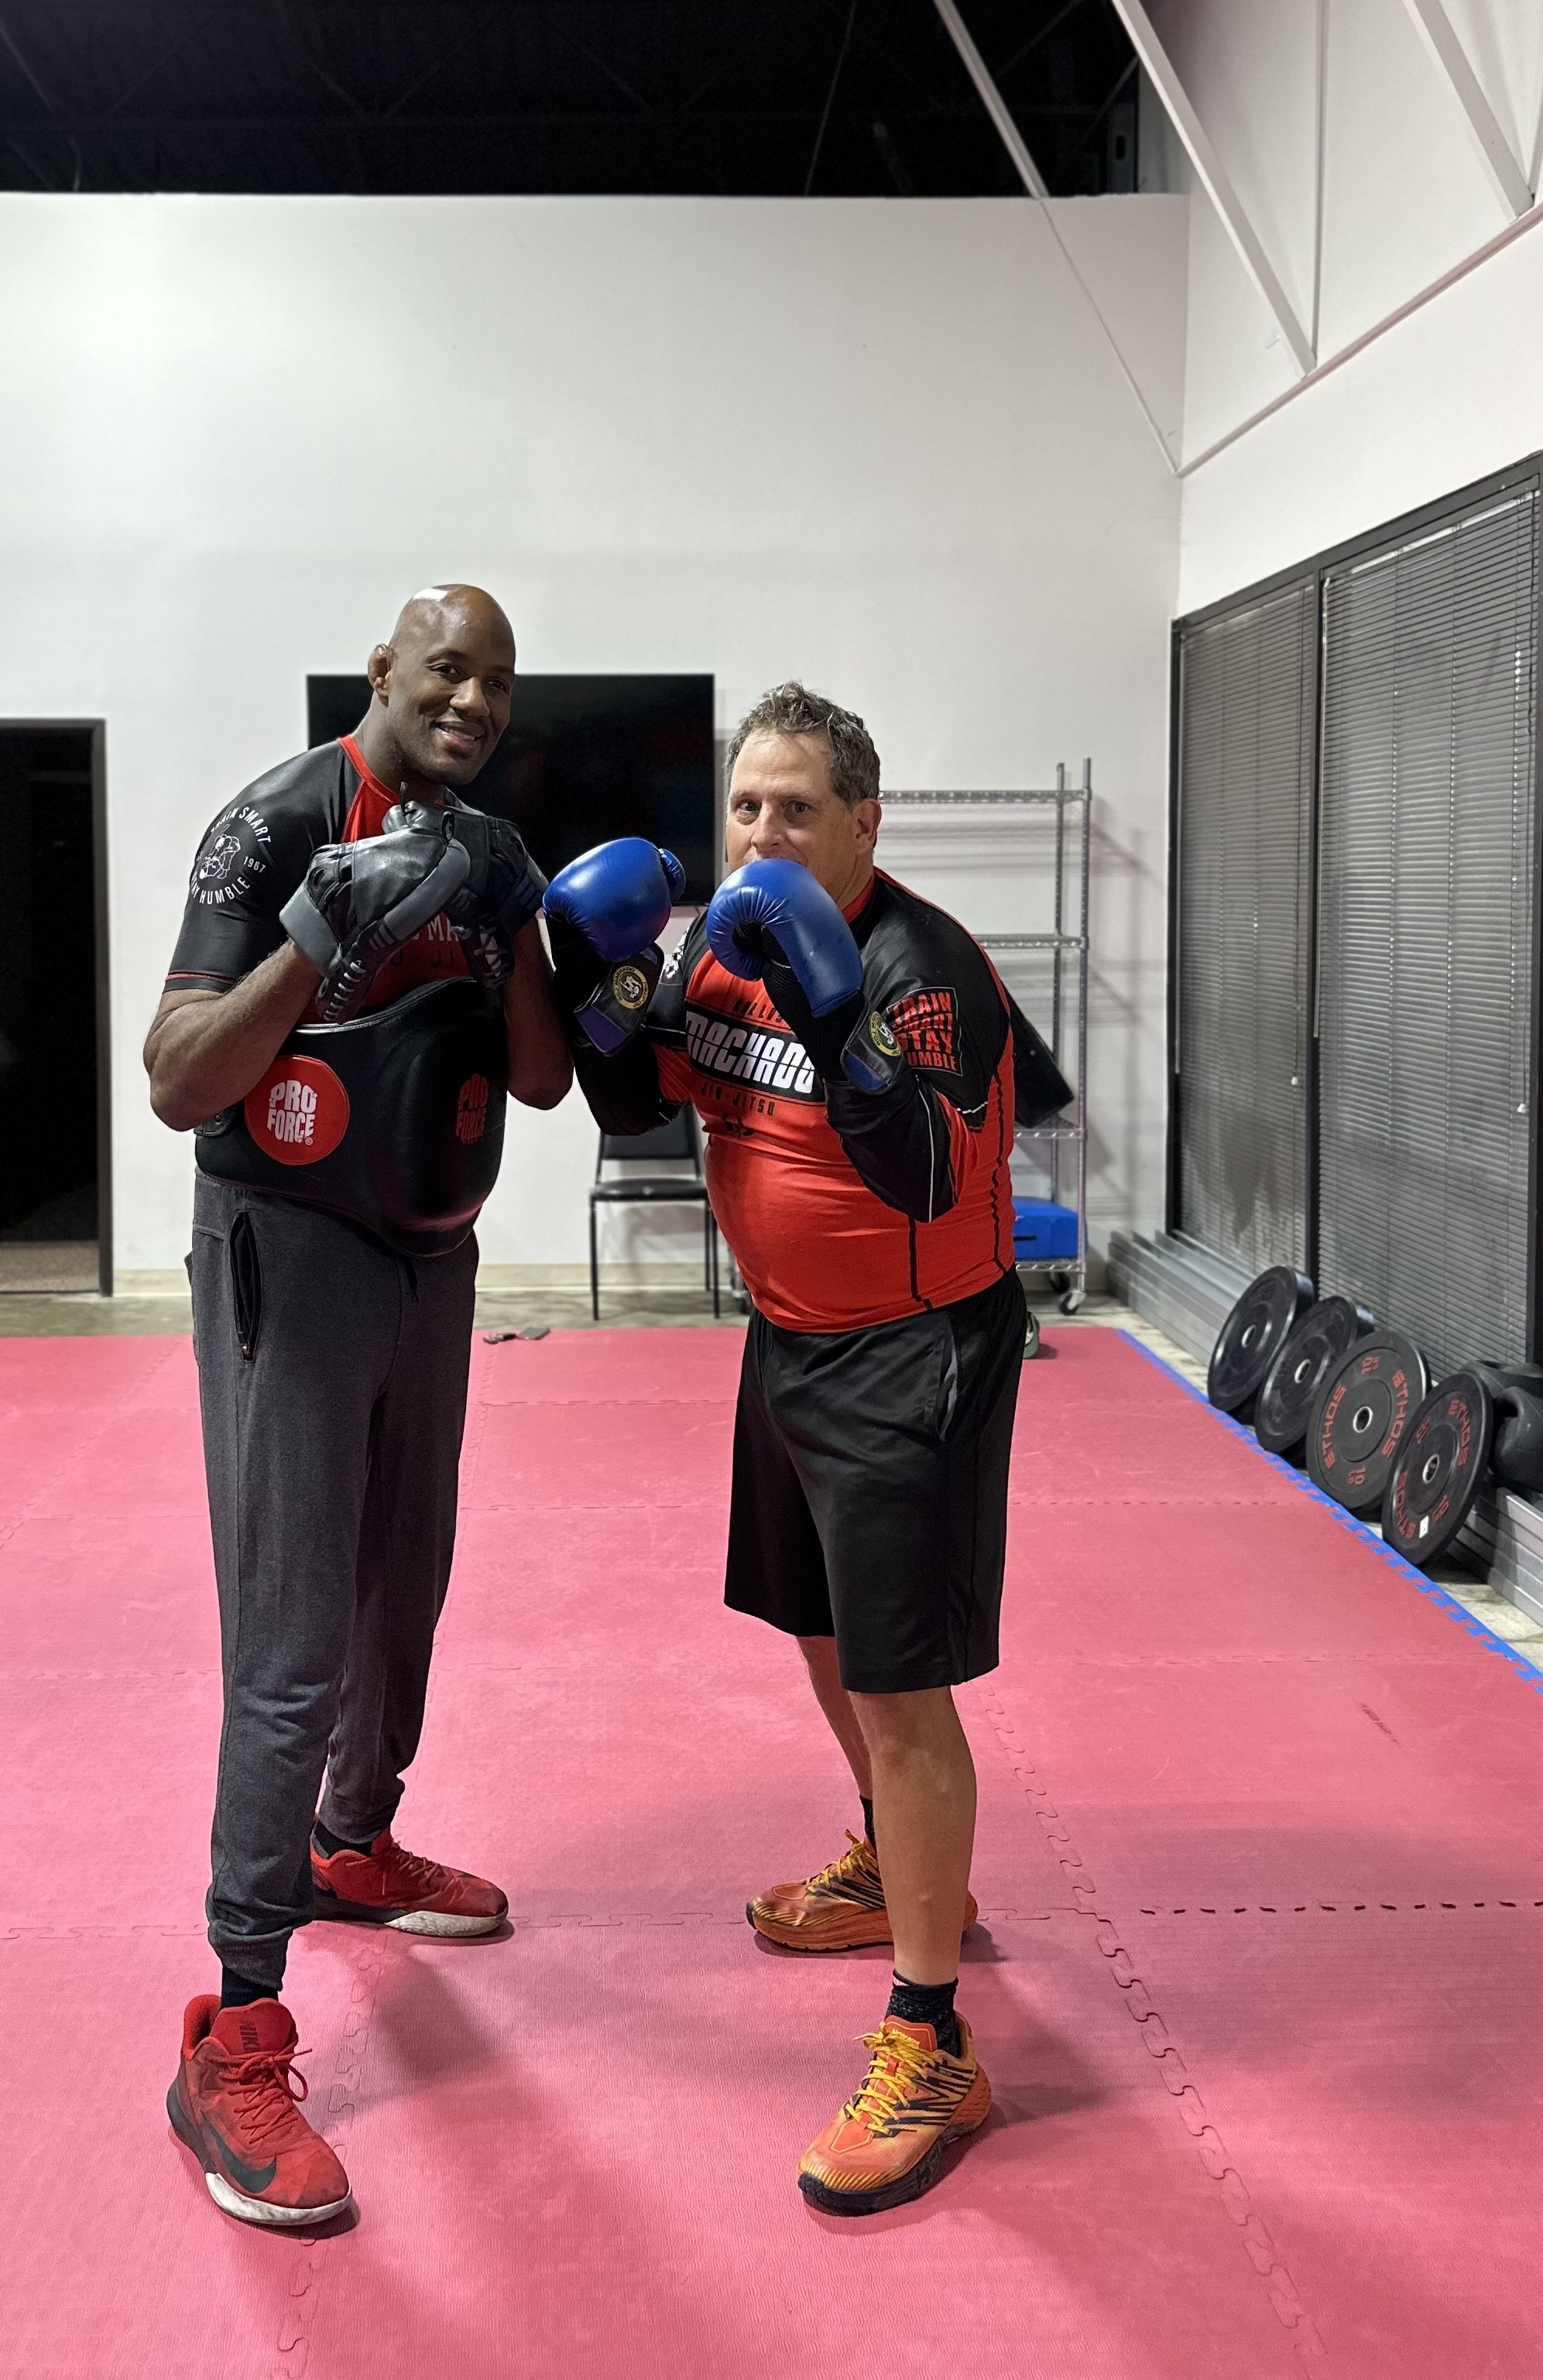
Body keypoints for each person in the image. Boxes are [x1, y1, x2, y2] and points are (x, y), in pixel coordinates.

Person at [545, 681, 1024, 2217]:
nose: (761, 832)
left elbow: (930, 1170)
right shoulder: (720, 952)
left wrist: (835, 1008)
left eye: (794, 808)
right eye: (744, 806)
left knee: (899, 1682)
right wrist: (590, 977)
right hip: (786, 1344)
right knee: (818, 1638)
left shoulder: (921, 965)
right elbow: (631, 1105)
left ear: (861, 822)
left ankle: (934, 2040)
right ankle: (894, 1867)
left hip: (912, 1351)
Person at [145, 583, 571, 2228]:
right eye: (444, 667)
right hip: (289, 1252)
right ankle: (230, 2029)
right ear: (385, 672)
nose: (471, 697)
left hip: (430, 1261)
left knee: (409, 1593)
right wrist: (324, 932)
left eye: (495, 680)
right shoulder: (278, 820)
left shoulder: (491, 847)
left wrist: (541, 925)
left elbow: (536, 1077)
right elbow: (179, 1073)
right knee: (294, 1635)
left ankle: (351, 1844)